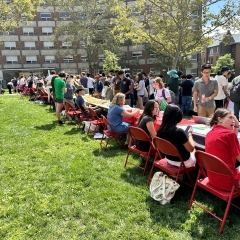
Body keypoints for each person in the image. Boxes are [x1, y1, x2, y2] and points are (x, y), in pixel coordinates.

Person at [205, 108, 240, 190]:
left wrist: (236, 126)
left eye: (234, 118)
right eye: (230, 118)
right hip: (229, 183)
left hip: (213, 180)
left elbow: (231, 137)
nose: (233, 120)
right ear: (220, 119)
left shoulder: (209, 133)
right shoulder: (229, 135)